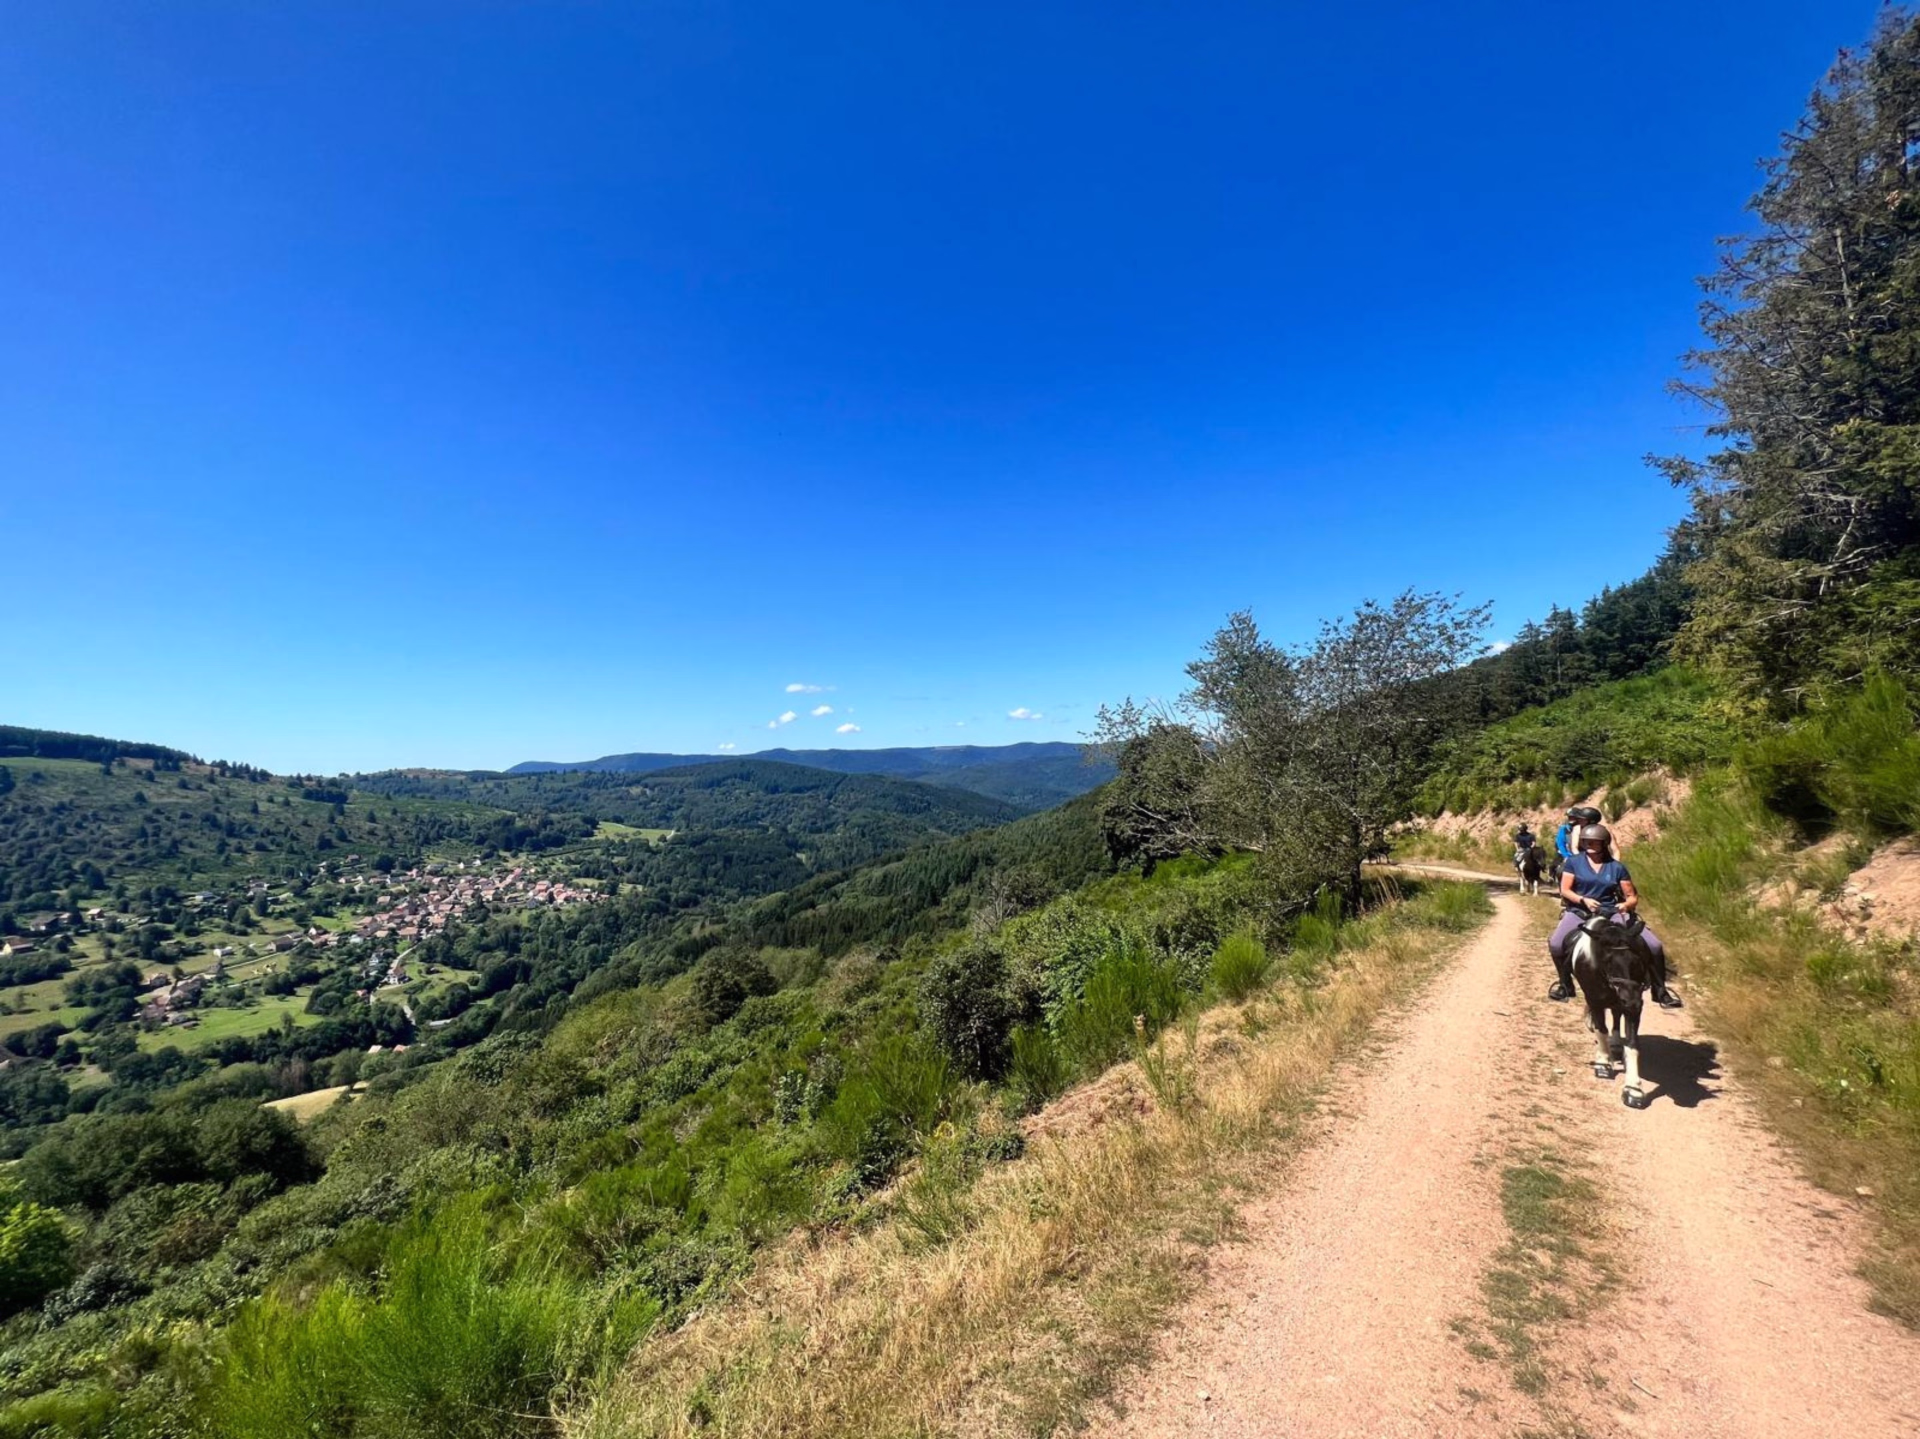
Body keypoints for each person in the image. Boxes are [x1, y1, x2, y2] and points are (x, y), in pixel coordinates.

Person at [1546, 823, 1681, 1007]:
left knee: (1654, 945)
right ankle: (1565, 985)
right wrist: (1583, 900)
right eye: (1586, 841)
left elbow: (1632, 896)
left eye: (1595, 842)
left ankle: (1660, 990)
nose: (1590, 844)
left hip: (1612, 912)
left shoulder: (1616, 867)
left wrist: (1625, 905)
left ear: (1604, 843)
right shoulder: (1573, 862)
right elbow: (1565, 890)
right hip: (1581, 910)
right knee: (1555, 943)